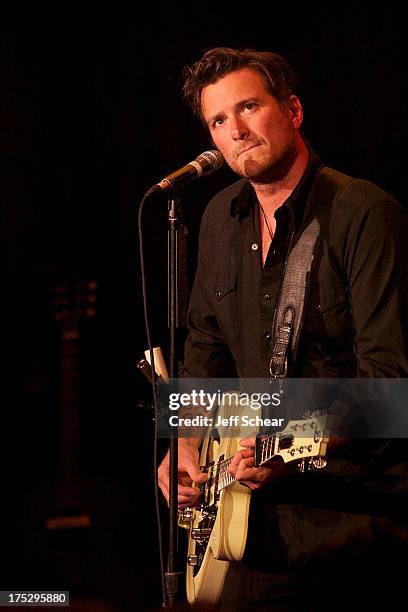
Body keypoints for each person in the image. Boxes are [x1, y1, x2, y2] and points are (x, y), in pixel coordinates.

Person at [158, 47, 408, 610]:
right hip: (248, 531)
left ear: (292, 110)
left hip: (354, 527)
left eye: (249, 107)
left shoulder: (363, 213)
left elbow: (389, 387)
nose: (237, 130)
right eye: (219, 120)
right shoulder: (219, 219)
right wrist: (185, 446)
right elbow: (205, 350)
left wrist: (281, 437)